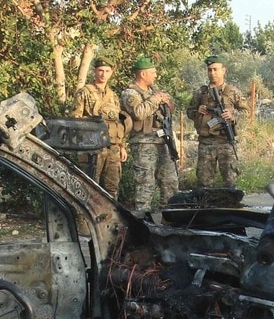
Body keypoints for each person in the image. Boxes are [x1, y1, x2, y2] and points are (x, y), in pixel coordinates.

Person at [120, 56, 179, 211]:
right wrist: (155, 100)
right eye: (153, 72)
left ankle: (169, 215)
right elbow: (138, 113)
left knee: (170, 181)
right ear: (143, 74)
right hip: (143, 143)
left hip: (163, 140)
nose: (156, 76)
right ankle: (143, 220)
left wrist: (167, 102)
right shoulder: (130, 94)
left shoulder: (155, 92)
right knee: (145, 184)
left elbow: (169, 112)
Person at [187, 55, 250, 187]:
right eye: (210, 70)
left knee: (230, 181)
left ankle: (230, 204)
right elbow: (189, 112)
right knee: (204, 182)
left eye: (215, 69)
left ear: (224, 70)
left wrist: (233, 116)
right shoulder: (200, 93)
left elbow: (247, 112)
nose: (212, 73)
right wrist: (198, 111)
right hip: (206, 143)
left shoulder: (232, 92)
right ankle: (206, 206)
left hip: (226, 142)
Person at [71, 57, 126, 196]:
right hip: (92, 147)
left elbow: (118, 123)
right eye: (100, 70)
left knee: (112, 187)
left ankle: (111, 217)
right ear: (95, 71)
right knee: (88, 187)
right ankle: (85, 218)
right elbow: (74, 119)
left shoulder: (113, 96)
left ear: (111, 73)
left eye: (107, 71)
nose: (103, 74)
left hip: (112, 147)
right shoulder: (84, 92)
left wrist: (121, 146)